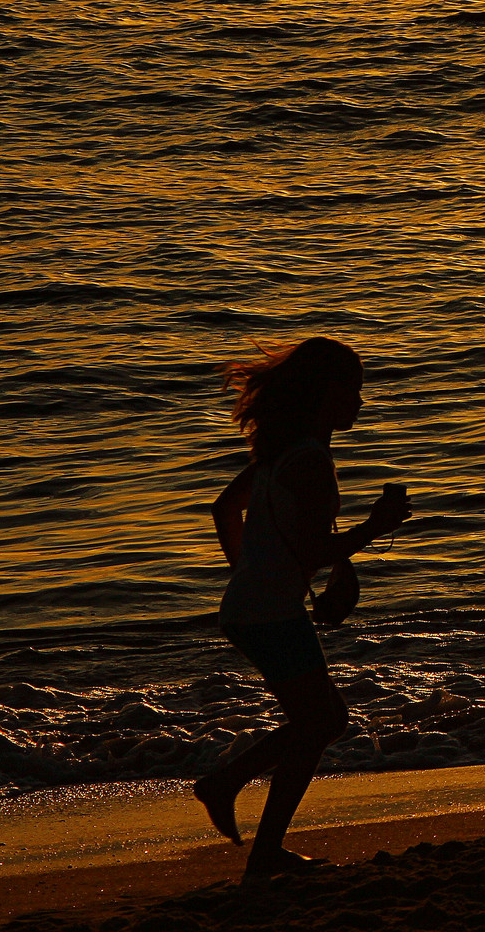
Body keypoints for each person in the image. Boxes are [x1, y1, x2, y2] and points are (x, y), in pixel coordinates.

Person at [193, 336, 411, 879]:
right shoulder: (310, 461)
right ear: (329, 393)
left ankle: (246, 817)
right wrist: (375, 528)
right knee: (322, 721)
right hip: (268, 613)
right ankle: (240, 812)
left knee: (320, 721)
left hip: (253, 607)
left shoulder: (284, 453)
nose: (361, 402)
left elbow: (227, 510)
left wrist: (257, 573)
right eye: (355, 391)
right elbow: (313, 545)